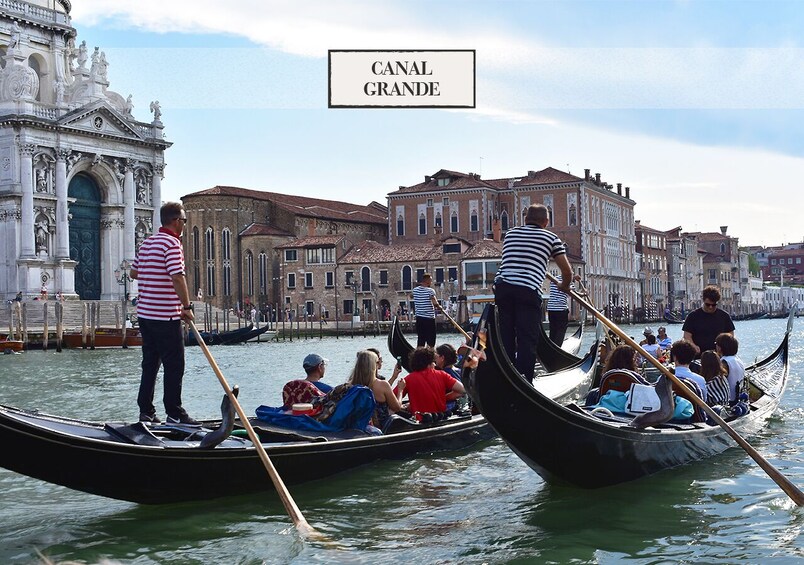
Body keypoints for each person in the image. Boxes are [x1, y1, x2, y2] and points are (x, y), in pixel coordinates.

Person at [131, 202, 198, 425]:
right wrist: (186, 307)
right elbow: (178, 276)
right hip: (165, 316)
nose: (185, 226)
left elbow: (134, 272)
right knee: (175, 364)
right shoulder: (172, 244)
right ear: (176, 221)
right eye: (185, 221)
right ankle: (175, 412)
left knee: (150, 363)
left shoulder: (147, 243)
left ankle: (146, 411)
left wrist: (153, 279)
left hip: (145, 314)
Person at [494, 204, 573, 382]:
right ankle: (524, 381)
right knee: (527, 340)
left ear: (525, 219)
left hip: (502, 288)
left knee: (506, 337)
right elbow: (567, 272)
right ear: (546, 221)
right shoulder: (551, 238)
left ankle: (506, 377)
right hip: (527, 290)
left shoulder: (511, 234)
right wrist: (564, 286)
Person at [396, 347, 466, 417]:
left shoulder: (408, 379)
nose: (435, 365)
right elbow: (463, 390)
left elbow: (392, 401)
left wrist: (400, 391)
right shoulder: (442, 374)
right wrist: (444, 398)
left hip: (420, 420)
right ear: (428, 363)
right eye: (433, 362)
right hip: (440, 418)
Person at [350, 350, 404, 430]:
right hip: (380, 428)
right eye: (378, 362)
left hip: (358, 427)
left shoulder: (351, 385)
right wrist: (400, 390)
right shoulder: (382, 385)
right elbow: (397, 407)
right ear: (373, 365)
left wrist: (393, 377)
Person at [682, 286, 735, 358]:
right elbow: (687, 336)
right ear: (703, 301)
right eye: (708, 304)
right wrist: (693, 346)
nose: (710, 307)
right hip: (698, 356)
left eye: (713, 305)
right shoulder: (693, 316)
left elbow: (730, 335)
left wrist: (725, 348)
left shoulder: (724, 316)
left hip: (719, 356)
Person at [546, 274, 580, 346]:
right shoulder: (569, 282)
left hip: (551, 309)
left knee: (553, 331)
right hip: (561, 310)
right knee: (560, 332)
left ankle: (551, 348)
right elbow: (576, 295)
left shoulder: (554, 279)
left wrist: (573, 278)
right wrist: (584, 293)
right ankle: (556, 351)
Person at [714, 333, 746, 403]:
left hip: (729, 401)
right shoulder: (738, 360)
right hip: (739, 399)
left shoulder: (724, 362)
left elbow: (716, 383)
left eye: (716, 344)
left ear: (720, 347)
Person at [412, 273, 439, 347]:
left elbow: (411, 296)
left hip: (419, 318)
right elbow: (435, 303)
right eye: (431, 280)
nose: (431, 282)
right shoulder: (430, 291)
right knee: (431, 340)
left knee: (421, 339)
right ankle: (430, 354)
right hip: (429, 319)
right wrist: (439, 307)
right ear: (427, 281)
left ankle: (420, 354)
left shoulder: (415, 290)